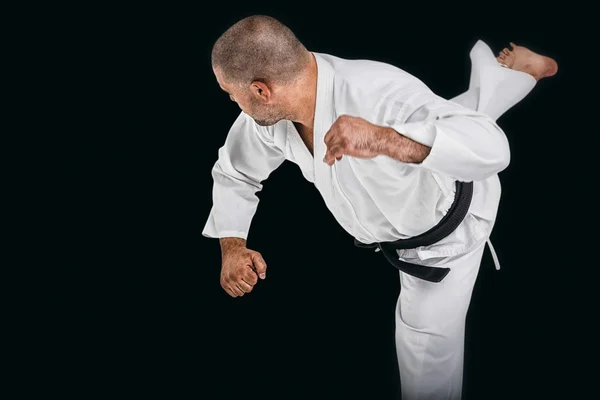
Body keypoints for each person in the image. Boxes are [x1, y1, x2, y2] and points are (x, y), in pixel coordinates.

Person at [202, 14, 558, 400]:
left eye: (229, 93)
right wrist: (232, 245)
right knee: (457, 112)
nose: (231, 101)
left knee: (425, 355)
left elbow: (493, 148)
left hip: (447, 233)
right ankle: (519, 72)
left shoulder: (380, 94)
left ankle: (514, 75)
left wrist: (385, 141)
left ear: (260, 90)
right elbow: (235, 171)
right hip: (404, 199)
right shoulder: (270, 116)